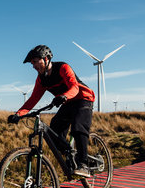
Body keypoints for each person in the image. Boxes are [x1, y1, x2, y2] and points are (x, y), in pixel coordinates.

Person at [7, 45, 95, 177]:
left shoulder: (63, 68)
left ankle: (83, 164)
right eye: (32, 63)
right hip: (67, 102)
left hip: (83, 98)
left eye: (35, 61)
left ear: (46, 58)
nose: (33, 66)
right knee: (54, 131)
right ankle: (71, 155)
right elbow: (33, 99)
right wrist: (18, 114)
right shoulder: (41, 79)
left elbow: (74, 88)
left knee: (78, 127)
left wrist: (64, 96)